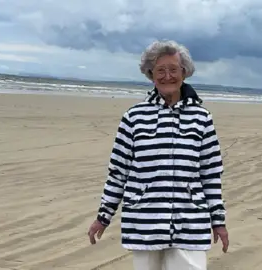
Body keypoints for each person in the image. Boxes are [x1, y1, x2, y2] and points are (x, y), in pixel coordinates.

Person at [88, 40, 229, 270]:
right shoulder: (133, 117)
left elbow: (211, 175)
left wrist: (218, 222)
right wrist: (103, 216)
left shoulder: (202, 118)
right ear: (150, 74)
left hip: (190, 221)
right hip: (144, 221)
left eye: (173, 69)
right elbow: (117, 173)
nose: (167, 76)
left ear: (184, 72)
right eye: (160, 70)